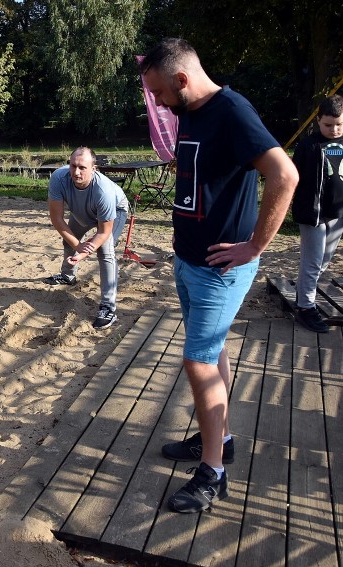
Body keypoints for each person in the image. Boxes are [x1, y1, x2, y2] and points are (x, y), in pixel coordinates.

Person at [139, 39, 298, 513]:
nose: (161, 104)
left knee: (198, 362)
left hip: (218, 269)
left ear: (183, 80)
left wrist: (255, 246)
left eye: (162, 93)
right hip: (188, 259)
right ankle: (221, 439)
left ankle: (213, 473)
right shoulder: (191, 110)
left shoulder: (232, 111)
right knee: (212, 351)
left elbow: (284, 175)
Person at [44, 147, 129, 329]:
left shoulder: (103, 190)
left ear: (94, 168)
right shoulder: (58, 178)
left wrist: (82, 253)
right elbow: (56, 218)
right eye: (73, 166)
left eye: (82, 167)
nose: (76, 172)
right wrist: (77, 245)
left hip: (114, 211)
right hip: (82, 211)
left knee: (105, 253)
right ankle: (68, 275)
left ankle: (108, 307)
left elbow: (103, 232)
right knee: (68, 238)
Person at [291, 94, 343, 333]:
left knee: (323, 260)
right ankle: (305, 307)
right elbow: (292, 177)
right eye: (328, 125)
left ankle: (303, 293)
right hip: (313, 214)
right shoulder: (308, 145)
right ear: (318, 121)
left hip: (338, 212)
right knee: (312, 262)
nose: (334, 129)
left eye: (339, 124)